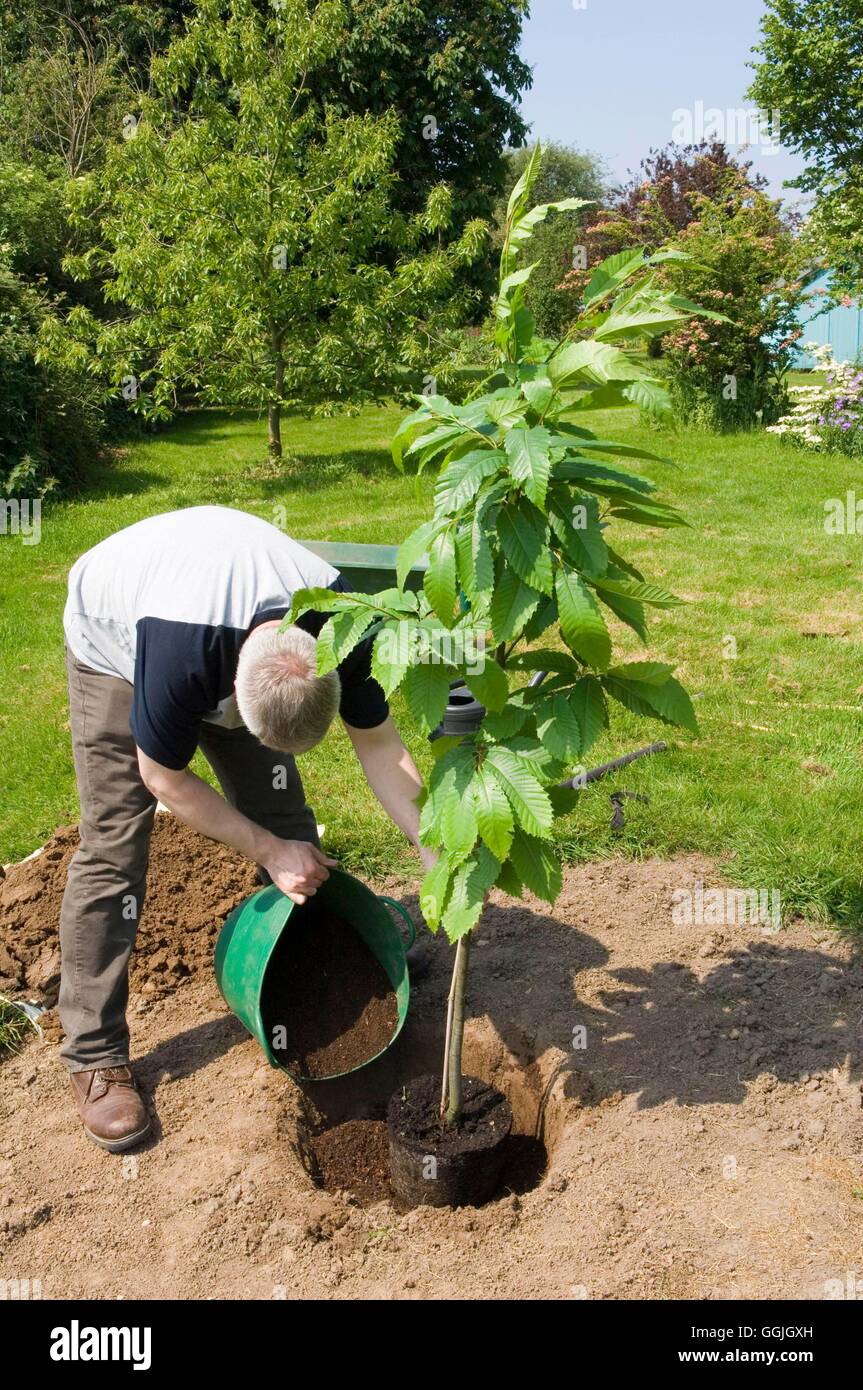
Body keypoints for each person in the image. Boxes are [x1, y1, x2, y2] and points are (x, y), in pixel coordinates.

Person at [59, 505, 434, 1152]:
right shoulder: (179, 658)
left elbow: (379, 746)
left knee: (282, 810)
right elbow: (164, 780)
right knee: (115, 844)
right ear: (233, 693)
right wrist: (265, 851)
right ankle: (94, 1054)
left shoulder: (342, 626)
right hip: (117, 635)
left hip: (227, 619)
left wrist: (436, 848)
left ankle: (320, 960)